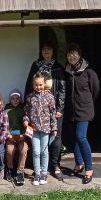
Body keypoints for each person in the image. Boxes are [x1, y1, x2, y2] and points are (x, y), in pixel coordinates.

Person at [26, 42, 68, 180]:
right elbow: (28, 85)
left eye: (48, 49)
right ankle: (38, 168)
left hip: (54, 109)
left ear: (53, 51)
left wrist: (60, 108)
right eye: (44, 49)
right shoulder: (36, 65)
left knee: (55, 137)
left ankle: (55, 165)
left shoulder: (58, 67)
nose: (46, 51)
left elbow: (62, 89)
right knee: (37, 137)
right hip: (38, 110)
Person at [66, 44, 100, 184]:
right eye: (69, 54)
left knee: (81, 137)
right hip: (71, 110)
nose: (71, 56)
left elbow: (95, 90)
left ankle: (89, 168)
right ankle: (79, 163)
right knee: (73, 138)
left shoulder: (88, 72)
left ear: (80, 55)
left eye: (74, 54)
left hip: (84, 110)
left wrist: (87, 102)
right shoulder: (67, 71)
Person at [24, 74, 57, 186]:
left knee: (44, 151)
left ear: (44, 84)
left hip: (46, 129)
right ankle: (37, 174)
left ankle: (44, 173)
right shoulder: (30, 97)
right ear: (33, 85)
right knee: (36, 152)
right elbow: (26, 113)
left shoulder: (49, 97)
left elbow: (53, 114)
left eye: (40, 84)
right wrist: (25, 121)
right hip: (34, 129)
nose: (38, 87)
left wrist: (54, 128)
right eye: (36, 85)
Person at [4, 90, 28, 187]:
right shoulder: (6, 109)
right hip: (10, 136)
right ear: (10, 99)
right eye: (13, 98)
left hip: (22, 136)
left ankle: (20, 171)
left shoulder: (24, 108)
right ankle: (10, 169)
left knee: (23, 149)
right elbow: (3, 125)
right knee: (9, 150)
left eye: (17, 98)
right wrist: (8, 135)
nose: (15, 100)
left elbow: (28, 122)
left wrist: (24, 135)